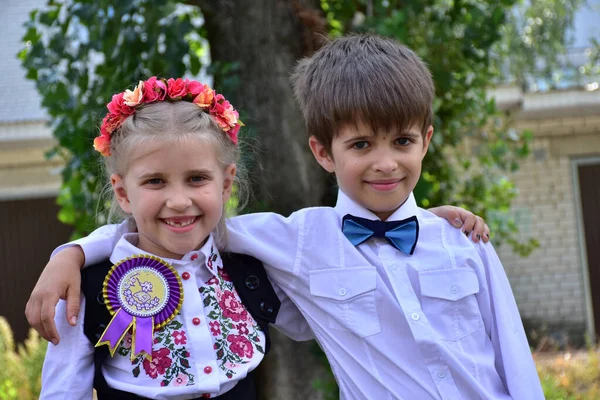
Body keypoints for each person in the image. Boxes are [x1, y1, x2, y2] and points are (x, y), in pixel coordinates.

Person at [25, 34, 531, 399]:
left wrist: (435, 220)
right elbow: (180, 232)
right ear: (323, 152)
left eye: (402, 142)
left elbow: (512, 352)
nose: (384, 163)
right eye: (360, 144)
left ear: (426, 142)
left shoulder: (462, 240)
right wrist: (70, 253)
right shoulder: (295, 240)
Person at [39, 77, 313, 399]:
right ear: (123, 193)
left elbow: (322, 323)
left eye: (197, 178)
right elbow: (63, 392)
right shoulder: (86, 290)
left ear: (225, 185)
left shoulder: (250, 271)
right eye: (156, 181)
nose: (179, 201)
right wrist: (70, 254)